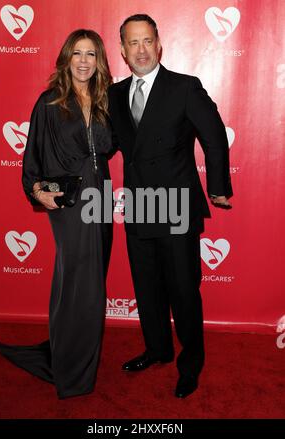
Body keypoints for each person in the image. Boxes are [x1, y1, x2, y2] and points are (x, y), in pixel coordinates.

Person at [108, 14, 233, 398]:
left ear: (158, 44)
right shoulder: (115, 94)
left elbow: (213, 137)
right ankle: (157, 348)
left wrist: (218, 187)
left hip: (177, 206)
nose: (141, 49)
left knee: (183, 289)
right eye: (133, 43)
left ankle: (190, 363)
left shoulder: (184, 87)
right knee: (146, 288)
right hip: (140, 205)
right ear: (124, 51)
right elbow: (106, 144)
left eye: (147, 41)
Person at [0, 29, 113, 399]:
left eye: (91, 54)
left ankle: (70, 350)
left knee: (90, 279)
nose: (83, 61)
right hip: (71, 201)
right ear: (66, 58)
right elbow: (32, 155)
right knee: (80, 280)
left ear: (99, 61)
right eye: (77, 53)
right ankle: (73, 369)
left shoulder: (107, 99)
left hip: (102, 196)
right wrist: (36, 189)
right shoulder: (49, 102)